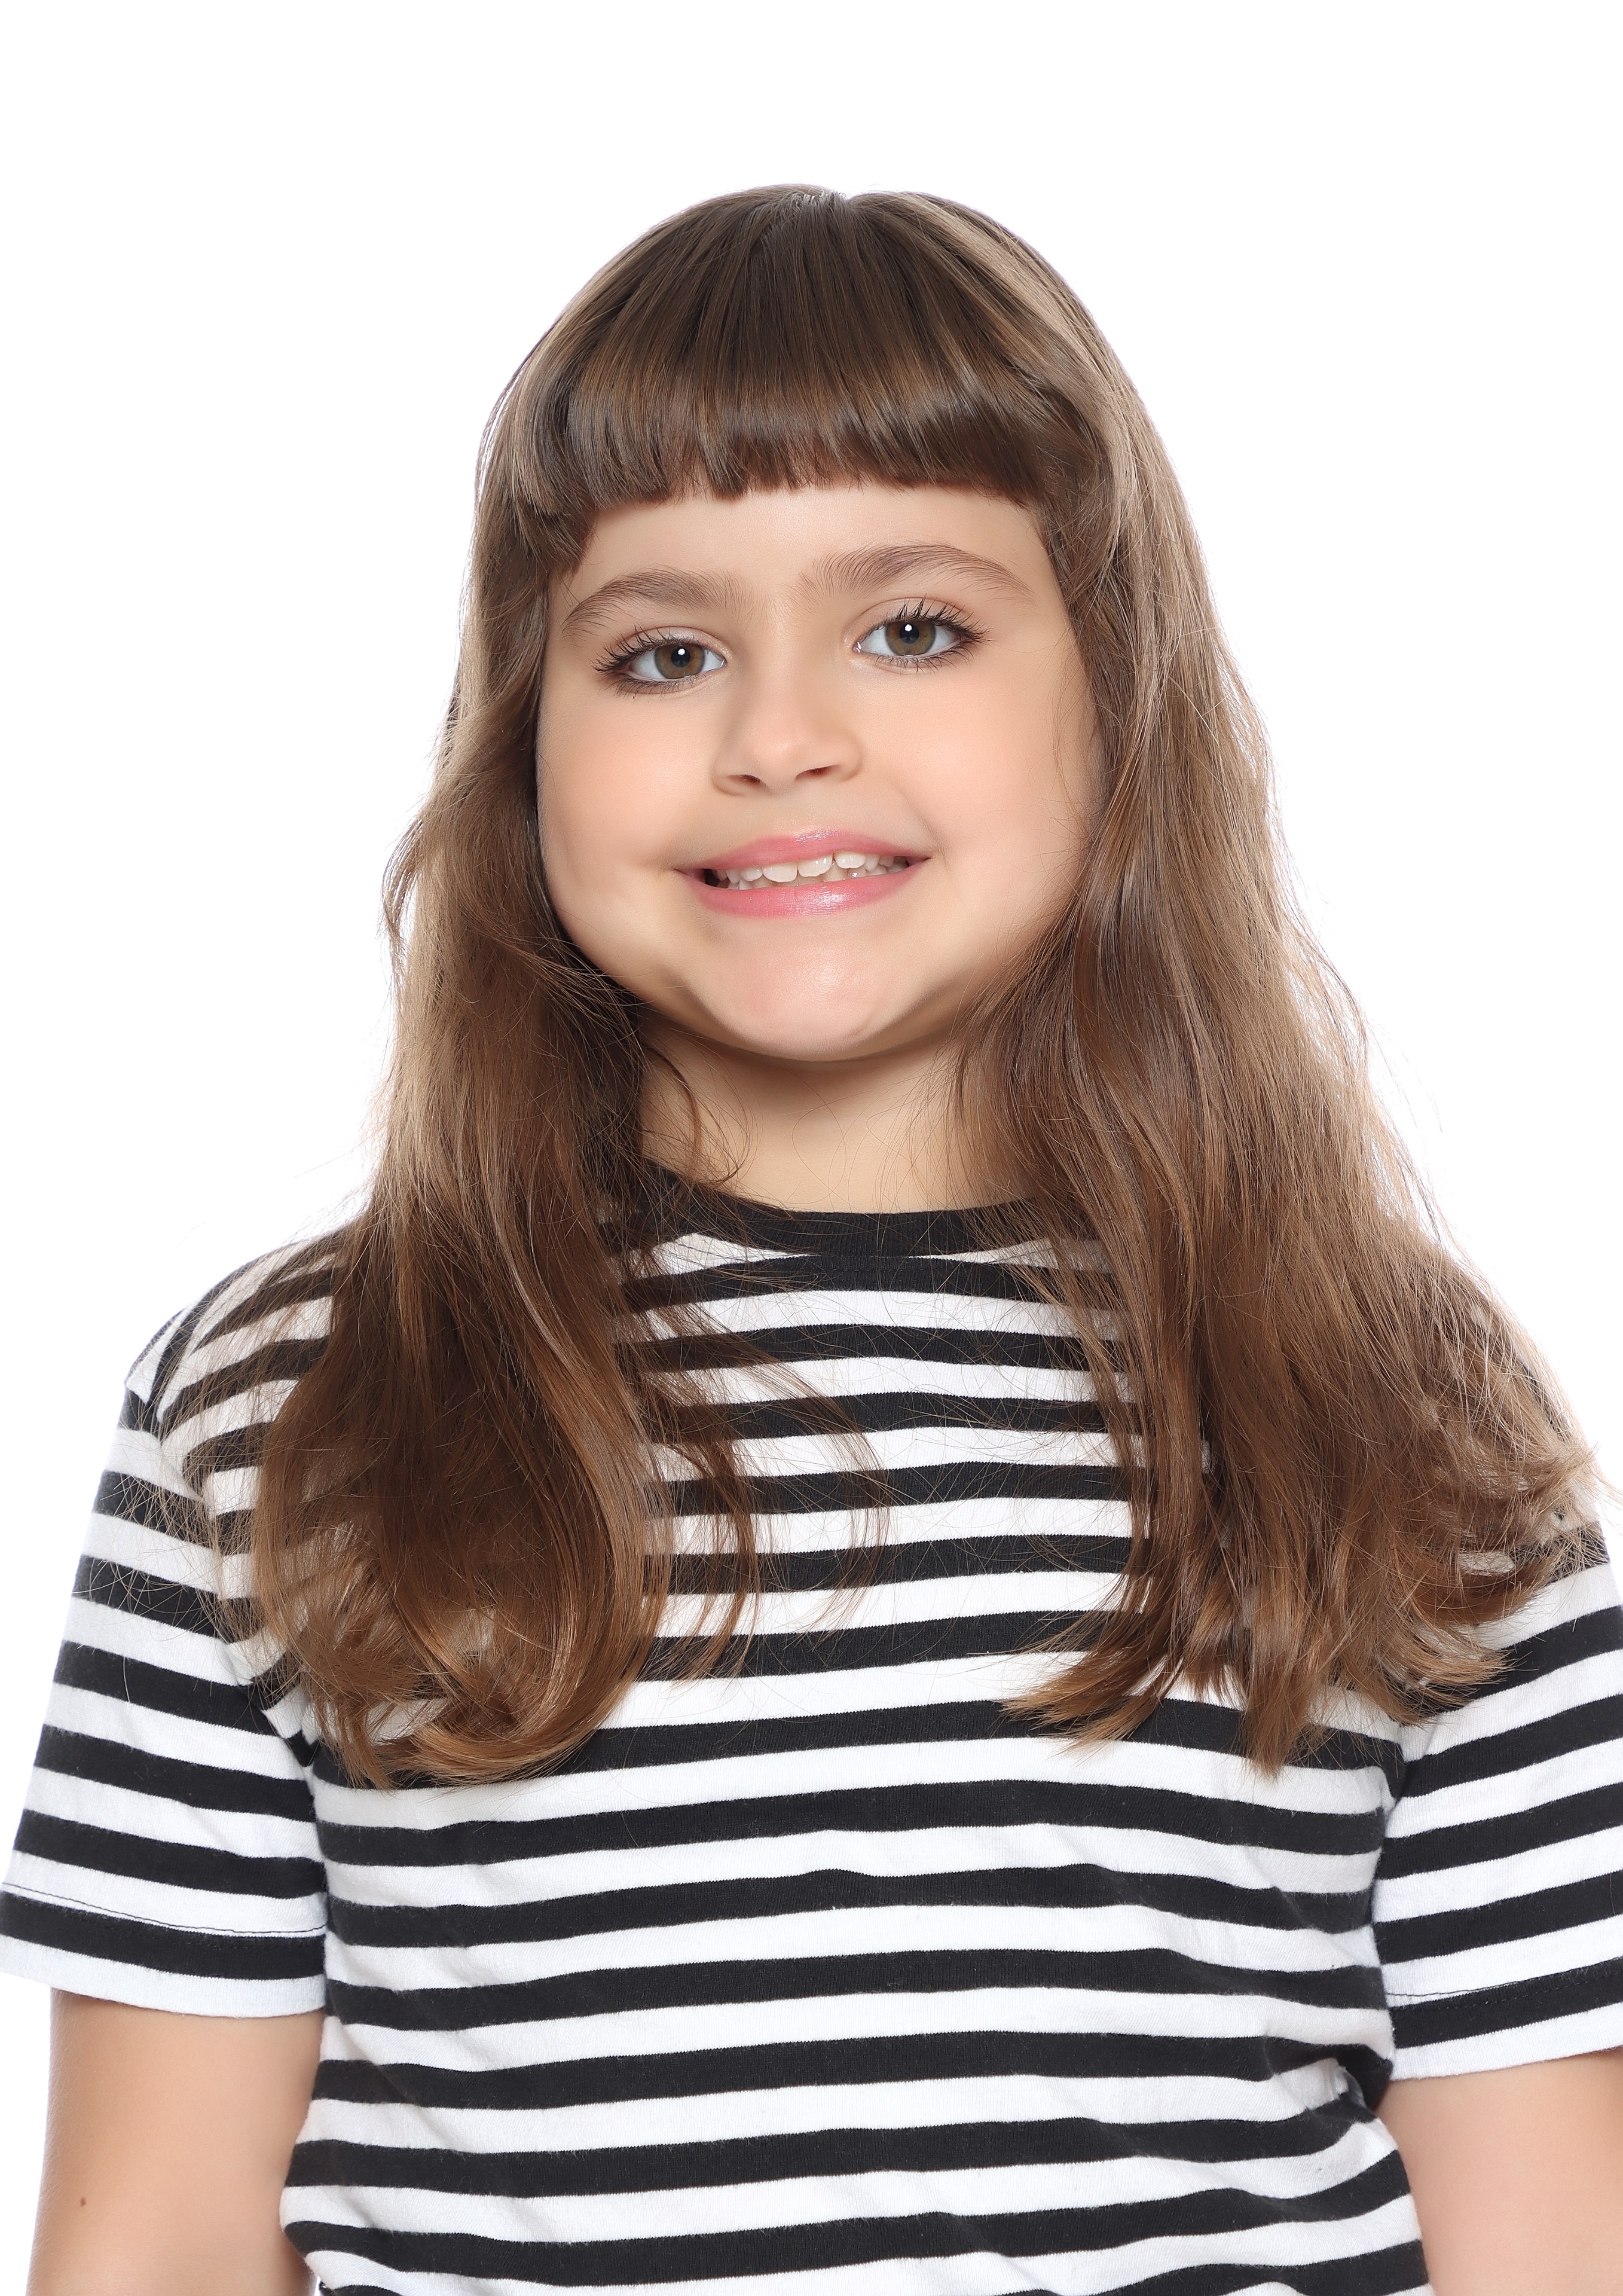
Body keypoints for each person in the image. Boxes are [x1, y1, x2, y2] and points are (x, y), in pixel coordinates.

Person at [5, 185, 1621, 2296]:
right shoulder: (293, 1404)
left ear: (1113, 696)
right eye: (662, 654)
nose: (779, 738)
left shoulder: (1382, 1400)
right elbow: (159, 2233)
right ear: (523, 744)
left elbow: (1545, 2233)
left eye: (913, 629)